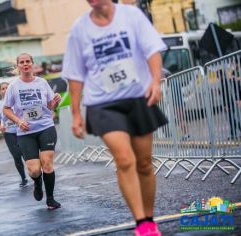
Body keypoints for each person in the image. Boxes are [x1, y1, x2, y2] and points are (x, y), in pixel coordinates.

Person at [62, 1, 167, 235]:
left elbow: (152, 49)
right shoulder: (79, 30)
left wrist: (155, 81)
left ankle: (149, 219)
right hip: (102, 104)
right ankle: (141, 223)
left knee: (144, 163)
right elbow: (75, 74)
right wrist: (76, 113)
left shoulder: (131, 16)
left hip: (137, 97)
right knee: (124, 159)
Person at [3, 53, 62, 210]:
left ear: (32, 64)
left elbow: (50, 107)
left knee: (47, 163)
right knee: (35, 170)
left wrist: (55, 102)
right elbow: (6, 109)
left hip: (45, 127)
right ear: (18, 66)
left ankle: (50, 199)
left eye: (28, 61)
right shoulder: (13, 86)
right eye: (22, 62)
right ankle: (37, 183)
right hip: (25, 132)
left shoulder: (42, 83)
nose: (25, 64)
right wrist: (19, 121)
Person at [0, 82, 28, 187]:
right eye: (3, 88)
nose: (5, 90)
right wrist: (0, 127)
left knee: (27, 154)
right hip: (9, 134)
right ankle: (23, 178)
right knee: (16, 156)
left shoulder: (17, 100)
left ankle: (35, 173)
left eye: (7, 88)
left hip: (22, 132)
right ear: (0, 92)